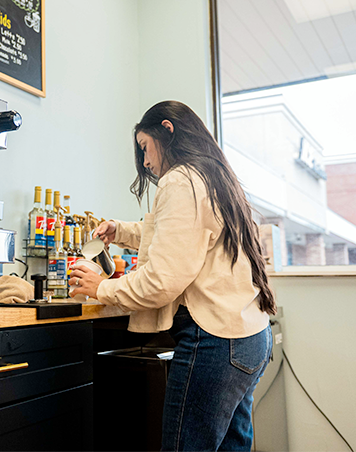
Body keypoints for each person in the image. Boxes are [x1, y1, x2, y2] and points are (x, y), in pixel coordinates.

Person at [69, 100, 276, 451]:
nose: (146, 161)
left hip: (215, 343)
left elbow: (162, 281)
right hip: (249, 336)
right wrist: (120, 231)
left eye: (145, 148)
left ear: (167, 130)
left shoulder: (181, 180)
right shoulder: (212, 174)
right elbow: (181, 233)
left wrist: (103, 287)